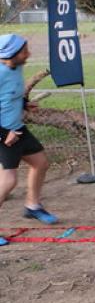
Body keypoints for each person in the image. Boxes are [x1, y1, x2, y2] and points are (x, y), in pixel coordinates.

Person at [0, 34, 59, 229]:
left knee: (40, 163)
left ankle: (33, 206)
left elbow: (10, 95)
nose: (28, 54)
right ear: (11, 53)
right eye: (24, 51)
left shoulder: (16, 68)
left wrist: (25, 104)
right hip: (5, 135)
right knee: (8, 181)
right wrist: (3, 134)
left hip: (18, 130)